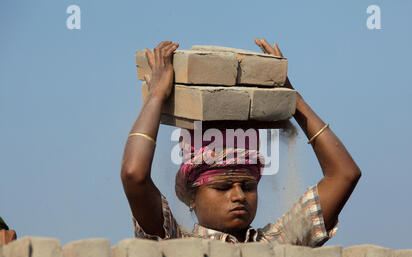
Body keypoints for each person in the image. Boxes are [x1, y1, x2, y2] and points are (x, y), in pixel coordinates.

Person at [120, 39, 361, 246]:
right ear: (191, 196)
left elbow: (345, 174)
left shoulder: (279, 244)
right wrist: (156, 97)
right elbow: (134, 175)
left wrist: (291, 97)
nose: (239, 196)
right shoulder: (175, 244)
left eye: (248, 187)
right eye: (222, 188)